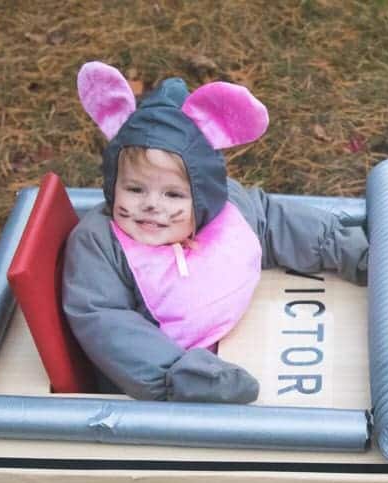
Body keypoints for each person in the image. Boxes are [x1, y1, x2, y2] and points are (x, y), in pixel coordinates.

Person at [63, 61, 368, 403]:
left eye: (173, 194)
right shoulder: (98, 244)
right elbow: (105, 323)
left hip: (242, 331)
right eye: (134, 189)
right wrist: (180, 377)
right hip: (162, 380)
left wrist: (350, 250)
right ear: (112, 184)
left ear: (203, 194)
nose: (151, 205)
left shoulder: (227, 211)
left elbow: (274, 221)